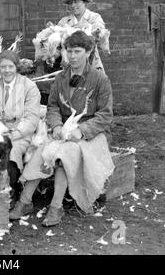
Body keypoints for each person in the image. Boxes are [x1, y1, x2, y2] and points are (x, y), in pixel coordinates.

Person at [16, 31, 114, 226]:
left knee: (64, 155)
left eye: (78, 51)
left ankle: (56, 206)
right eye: (69, 51)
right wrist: (57, 125)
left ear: (88, 52)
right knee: (42, 150)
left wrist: (82, 130)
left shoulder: (100, 79)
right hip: (63, 130)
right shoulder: (61, 77)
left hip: (91, 133)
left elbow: (105, 115)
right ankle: (24, 201)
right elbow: (52, 106)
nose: (73, 56)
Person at [0, 50, 41, 209]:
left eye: (10, 66)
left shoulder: (29, 87)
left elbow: (32, 118)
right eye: (3, 67)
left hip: (20, 132)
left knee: (11, 150)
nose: (6, 71)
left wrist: (15, 133)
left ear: (17, 67)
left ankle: (10, 190)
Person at [58, 0, 107, 72]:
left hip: (92, 63)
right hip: (70, 66)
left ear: (85, 2)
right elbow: (57, 44)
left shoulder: (94, 18)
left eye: (76, 1)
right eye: (70, 3)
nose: (73, 5)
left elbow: (99, 34)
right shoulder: (64, 22)